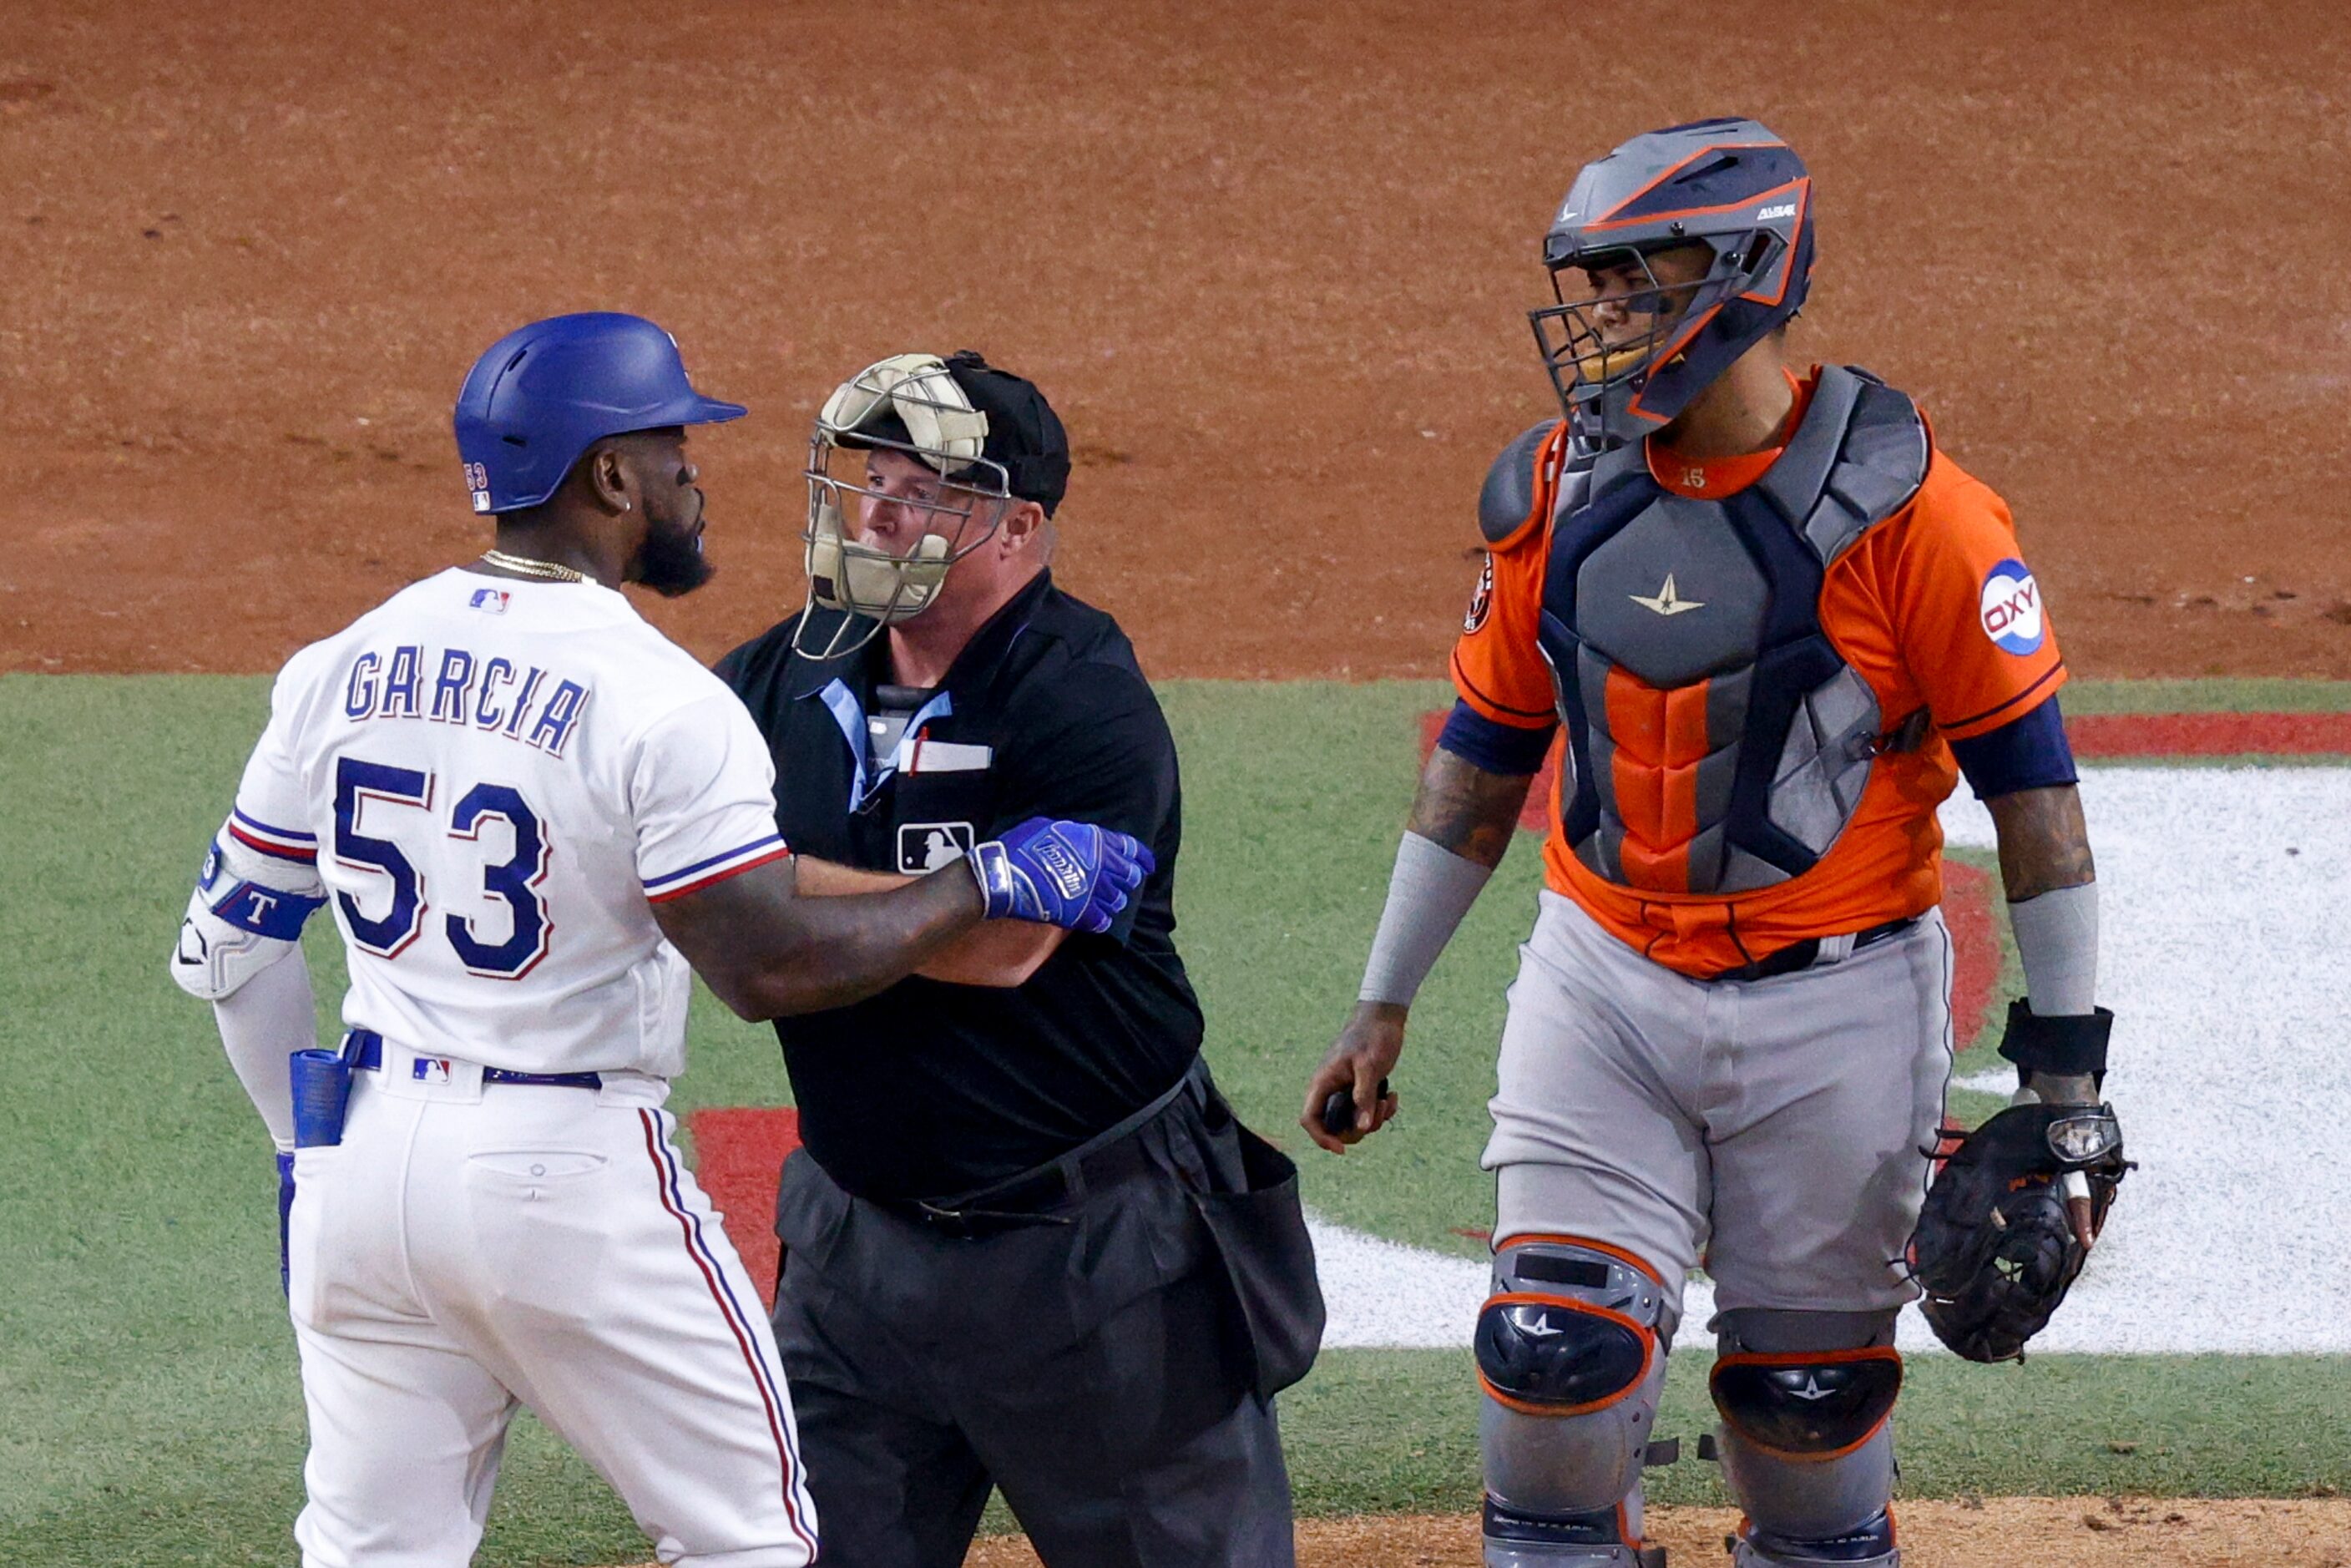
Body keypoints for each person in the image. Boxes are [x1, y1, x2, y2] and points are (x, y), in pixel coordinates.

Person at [167, 313, 1148, 1568]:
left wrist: (303, 1157)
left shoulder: (338, 664)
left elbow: (234, 947)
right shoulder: (663, 700)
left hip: (360, 1169)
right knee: (752, 1537)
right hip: (559, 1174)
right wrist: (982, 882)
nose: (696, 479)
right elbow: (766, 964)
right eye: (675, 450)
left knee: (371, 1552)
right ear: (610, 477)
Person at [1302, 119, 2120, 1568]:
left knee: (1809, 1430)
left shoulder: (1920, 517)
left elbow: (2037, 803)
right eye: (1595, 282)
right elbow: (1485, 752)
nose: (1600, 315)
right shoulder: (1555, 491)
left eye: (1631, 278)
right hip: (1605, 980)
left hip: (1842, 1004)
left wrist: (2066, 1084)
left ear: (1739, 274)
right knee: (1554, 1361)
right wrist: (1383, 995)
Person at [718, 350, 1321, 1568]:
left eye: (925, 485)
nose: (879, 507)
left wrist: (772, 891)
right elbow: (674, 871)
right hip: (854, 1252)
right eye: (869, 474)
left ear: (1020, 523)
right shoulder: (777, 677)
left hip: (1097, 1261)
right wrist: (899, 894)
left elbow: (1001, 945)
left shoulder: (1082, 696)